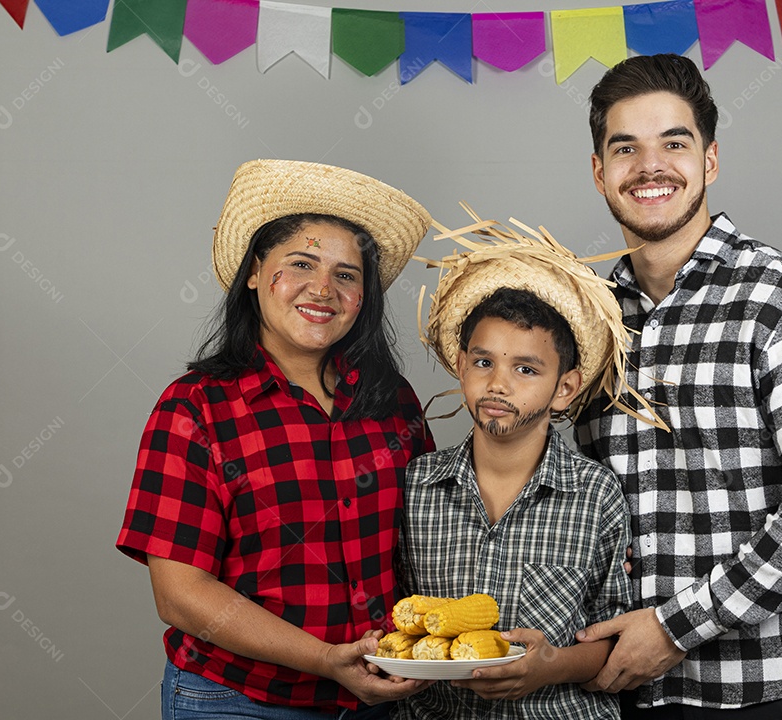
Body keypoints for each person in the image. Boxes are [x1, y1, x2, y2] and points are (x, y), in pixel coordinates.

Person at [573, 54, 782, 719]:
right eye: (626, 149)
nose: (650, 166)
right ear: (600, 172)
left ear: (709, 160)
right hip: (612, 691)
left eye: (673, 144)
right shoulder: (584, 320)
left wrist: (677, 628)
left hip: (765, 691)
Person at [116, 159, 437, 720]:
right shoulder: (194, 408)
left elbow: (431, 543)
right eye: (301, 263)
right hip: (235, 700)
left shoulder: (394, 402)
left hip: (381, 699)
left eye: (346, 274)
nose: (323, 289)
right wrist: (325, 658)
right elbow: (180, 593)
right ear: (255, 272)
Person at [394, 214, 667, 720]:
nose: (498, 384)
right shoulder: (416, 486)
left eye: (526, 369)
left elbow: (612, 638)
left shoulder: (595, 493)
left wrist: (550, 665)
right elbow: (399, 621)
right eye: (483, 362)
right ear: (461, 365)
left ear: (564, 387)